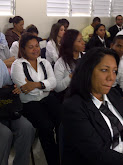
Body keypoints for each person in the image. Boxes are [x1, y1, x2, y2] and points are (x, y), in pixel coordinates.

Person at [61, 47, 123, 165]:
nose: (111, 77)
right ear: (88, 71)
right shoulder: (73, 107)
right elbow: (98, 154)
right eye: (105, 70)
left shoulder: (113, 94)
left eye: (114, 71)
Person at [11, 32, 61, 165]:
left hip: (47, 99)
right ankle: (53, 161)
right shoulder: (18, 65)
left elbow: (54, 83)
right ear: (23, 49)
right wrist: (45, 85)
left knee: (63, 120)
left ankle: (64, 154)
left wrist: (36, 84)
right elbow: (27, 91)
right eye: (31, 47)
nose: (35, 49)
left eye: (37, 46)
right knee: (46, 126)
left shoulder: (44, 62)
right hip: (29, 103)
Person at [0, 59, 35, 165]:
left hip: (5, 109)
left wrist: (15, 87)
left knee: (27, 128)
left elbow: (8, 82)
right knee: (5, 134)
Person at [54, 29, 85, 102]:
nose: (83, 43)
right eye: (79, 41)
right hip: (69, 97)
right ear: (70, 43)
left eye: (82, 40)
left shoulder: (86, 57)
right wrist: (72, 75)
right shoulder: (61, 62)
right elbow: (57, 88)